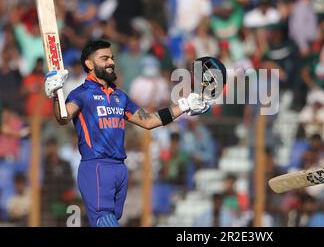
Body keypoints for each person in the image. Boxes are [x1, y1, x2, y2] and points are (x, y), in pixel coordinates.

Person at [44, 40, 213, 227]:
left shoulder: (120, 96)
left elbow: (149, 121)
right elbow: (63, 116)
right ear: (89, 64)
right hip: (97, 167)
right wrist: (55, 94)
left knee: (110, 220)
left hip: (120, 169)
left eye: (112, 58)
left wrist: (184, 105)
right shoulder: (81, 94)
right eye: (104, 58)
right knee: (104, 220)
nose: (111, 62)